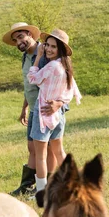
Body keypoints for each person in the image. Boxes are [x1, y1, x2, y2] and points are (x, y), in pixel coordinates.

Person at [2, 23, 65, 196]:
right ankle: (27, 184)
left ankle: (47, 186)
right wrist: (24, 107)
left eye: (21, 37)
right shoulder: (26, 56)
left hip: (46, 110)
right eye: (15, 40)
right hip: (33, 109)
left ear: (30, 34)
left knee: (49, 150)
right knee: (33, 148)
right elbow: (29, 84)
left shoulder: (45, 55)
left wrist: (60, 105)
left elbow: (63, 81)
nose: (19, 42)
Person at [27, 29, 82, 193]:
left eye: (53, 47)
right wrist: (59, 103)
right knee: (59, 152)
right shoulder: (66, 68)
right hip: (58, 116)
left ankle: (42, 193)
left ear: (60, 50)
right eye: (47, 45)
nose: (49, 49)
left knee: (41, 156)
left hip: (43, 113)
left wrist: (37, 57)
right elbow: (71, 92)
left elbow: (33, 79)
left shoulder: (51, 66)